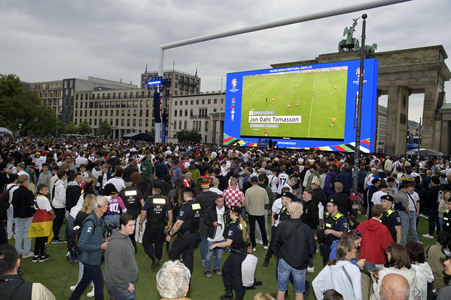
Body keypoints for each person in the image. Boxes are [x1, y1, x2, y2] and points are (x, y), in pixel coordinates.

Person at [273, 201, 316, 300]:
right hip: (300, 263)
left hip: (284, 261)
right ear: (301, 213)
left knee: (281, 290)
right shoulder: (306, 229)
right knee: (299, 292)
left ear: (288, 212)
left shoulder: (282, 225)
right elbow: (312, 249)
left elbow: (274, 244)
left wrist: (280, 256)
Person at [70, 195, 109, 300]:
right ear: (98, 206)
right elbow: (82, 244)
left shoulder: (97, 219)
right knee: (100, 284)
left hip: (92, 258)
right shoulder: (90, 222)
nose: (107, 206)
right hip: (90, 259)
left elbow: (91, 239)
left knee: (84, 282)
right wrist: (100, 246)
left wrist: (103, 241)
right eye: (105, 204)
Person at [210, 206, 248, 300]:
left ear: (234, 214)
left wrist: (215, 245)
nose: (229, 213)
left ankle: (239, 296)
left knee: (235, 276)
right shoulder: (241, 223)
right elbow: (246, 235)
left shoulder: (234, 225)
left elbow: (228, 243)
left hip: (237, 253)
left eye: (230, 212)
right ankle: (229, 292)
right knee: (226, 270)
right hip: (239, 251)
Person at [166, 187, 201, 274]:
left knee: (173, 253)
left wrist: (170, 234)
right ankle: (187, 281)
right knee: (188, 257)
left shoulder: (185, 207)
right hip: (194, 235)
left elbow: (178, 224)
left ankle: (179, 271)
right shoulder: (197, 205)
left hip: (185, 236)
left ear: (185, 194)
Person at [104, 212, 139, 300]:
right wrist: (126, 284)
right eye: (130, 225)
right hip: (120, 285)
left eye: (134, 225)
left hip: (122, 283)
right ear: (122, 226)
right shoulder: (117, 244)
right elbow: (115, 269)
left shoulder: (125, 237)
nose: (133, 228)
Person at [139, 182, 172, 270]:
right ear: (160, 191)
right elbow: (170, 212)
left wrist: (140, 223)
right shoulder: (165, 199)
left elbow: (143, 213)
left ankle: (153, 257)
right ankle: (157, 258)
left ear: (153, 190)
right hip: (161, 225)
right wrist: (170, 223)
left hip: (151, 224)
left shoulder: (149, 200)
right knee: (159, 243)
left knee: (146, 242)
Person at [203, 194, 229, 278]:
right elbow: (205, 219)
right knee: (209, 255)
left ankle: (216, 268)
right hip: (212, 237)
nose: (221, 203)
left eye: (222, 201)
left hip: (221, 237)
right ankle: (207, 270)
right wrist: (212, 223)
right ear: (216, 202)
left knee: (219, 255)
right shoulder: (211, 209)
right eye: (219, 201)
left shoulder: (227, 209)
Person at [28, 183, 55, 262]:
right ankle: (43, 255)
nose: (47, 191)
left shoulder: (36, 197)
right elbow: (49, 209)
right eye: (45, 190)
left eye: (47, 189)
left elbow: (33, 207)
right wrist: (54, 215)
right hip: (45, 218)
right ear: (40, 191)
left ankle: (35, 255)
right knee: (44, 237)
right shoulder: (44, 199)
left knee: (38, 237)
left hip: (37, 217)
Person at [12, 174, 35, 258]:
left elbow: (13, 203)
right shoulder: (28, 192)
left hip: (17, 214)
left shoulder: (16, 191)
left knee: (18, 232)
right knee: (27, 233)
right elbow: (31, 205)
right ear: (26, 181)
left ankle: (18, 250)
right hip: (27, 215)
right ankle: (26, 252)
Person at [320, 198, 348, 266]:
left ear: (335, 207)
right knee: (325, 266)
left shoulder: (342, 219)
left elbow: (344, 234)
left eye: (329, 206)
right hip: (326, 244)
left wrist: (332, 231)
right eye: (327, 206)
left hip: (336, 246)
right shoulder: (327, 216)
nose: (327, 208)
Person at [245, 176, 269, 251]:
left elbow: (246, 203)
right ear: (258, 181)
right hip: (260, 212)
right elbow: (267, 201)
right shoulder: (263, 190)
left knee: (252, 230)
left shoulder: (248, 191)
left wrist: (248, 210)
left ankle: (254, 246)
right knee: (263, 229)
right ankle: (265, 244)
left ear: (251, 182)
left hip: (251, 212)